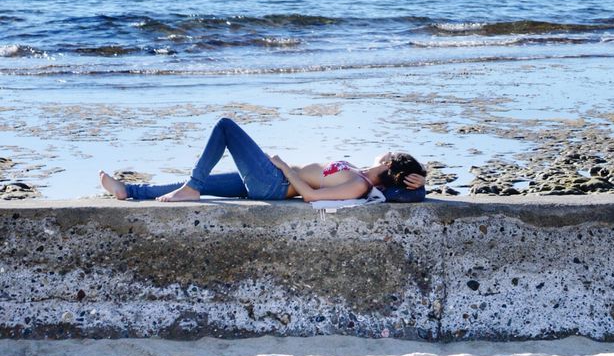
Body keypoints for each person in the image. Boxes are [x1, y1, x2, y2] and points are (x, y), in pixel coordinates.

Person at [99, 115, 427, 204]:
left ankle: (191, 188)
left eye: (390, 154)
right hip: (270, 179)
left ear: (389, 164)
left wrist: (284, 167)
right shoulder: (360, 172)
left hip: (272, 184)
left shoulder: (358, 185)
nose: (385, 150)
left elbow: (311, 196)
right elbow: (398, 178)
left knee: (226, 126)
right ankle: (130, 192)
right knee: (207, 184)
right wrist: (421, 178)